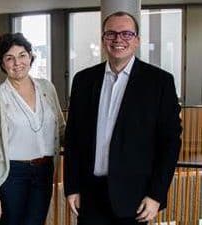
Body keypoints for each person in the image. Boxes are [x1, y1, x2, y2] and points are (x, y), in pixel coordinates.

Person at [64, 11, 182, 225]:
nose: (118, 39)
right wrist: (72, 187)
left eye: (127, 34)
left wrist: (156, 195)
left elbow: (170, 143)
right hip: (90, 197)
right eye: (111, 34)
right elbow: (73, 139)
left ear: (137, 40)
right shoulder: (83, 80)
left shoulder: (159, 82)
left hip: (135, 199)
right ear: (102, 40)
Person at [0, 32, 65, 225]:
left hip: (44, 170)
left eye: (22, 55)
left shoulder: (47, 88)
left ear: (31, 57)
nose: (17, 62)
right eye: (9, 58)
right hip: (13, 175)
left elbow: (60, 128)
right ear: (2, 64)